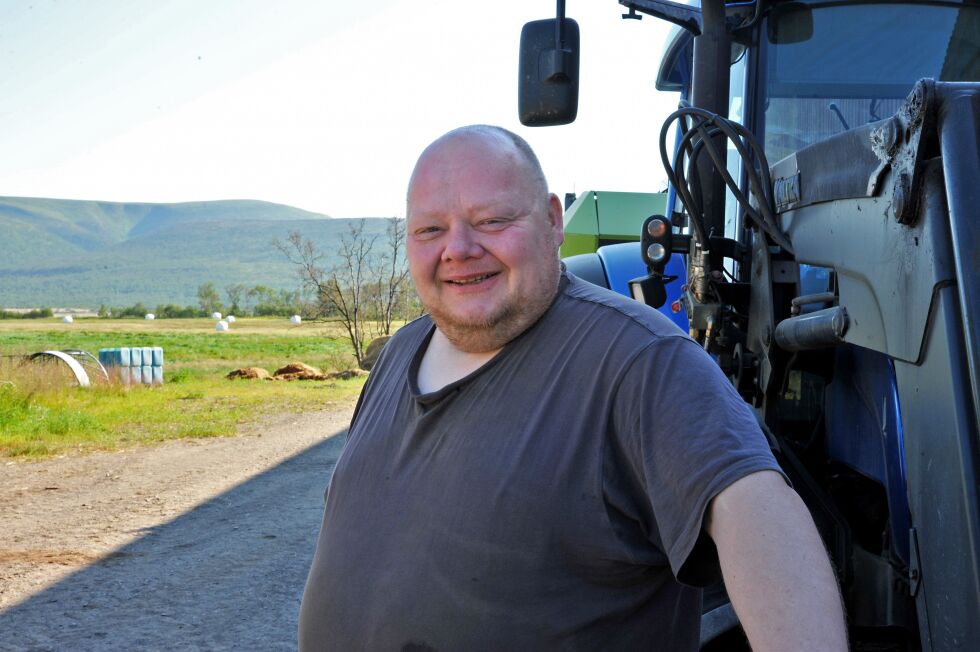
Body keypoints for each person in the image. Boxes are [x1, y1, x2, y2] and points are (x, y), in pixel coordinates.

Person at [298, 125, 847, 651]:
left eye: (491, 220)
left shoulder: (637, 359)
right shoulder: (401, 352)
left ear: (554, 220)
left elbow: (758, 515)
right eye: (429, 230)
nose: (458, 249)